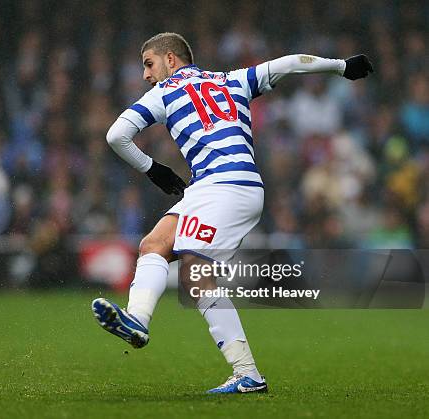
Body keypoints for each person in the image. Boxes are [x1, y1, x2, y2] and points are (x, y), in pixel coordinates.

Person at [91, 32, 373, 394]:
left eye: (149, 64)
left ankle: (232, 367)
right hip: (225, 186)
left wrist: (153, 170)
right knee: (154, 245)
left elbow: (117, 136)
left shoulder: (162, 93)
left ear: (171, 60)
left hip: (223, 187)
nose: (146, 74)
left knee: (195, 274)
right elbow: (289, 63)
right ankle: (147, 326)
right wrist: (341, 66)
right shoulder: (232, 80)